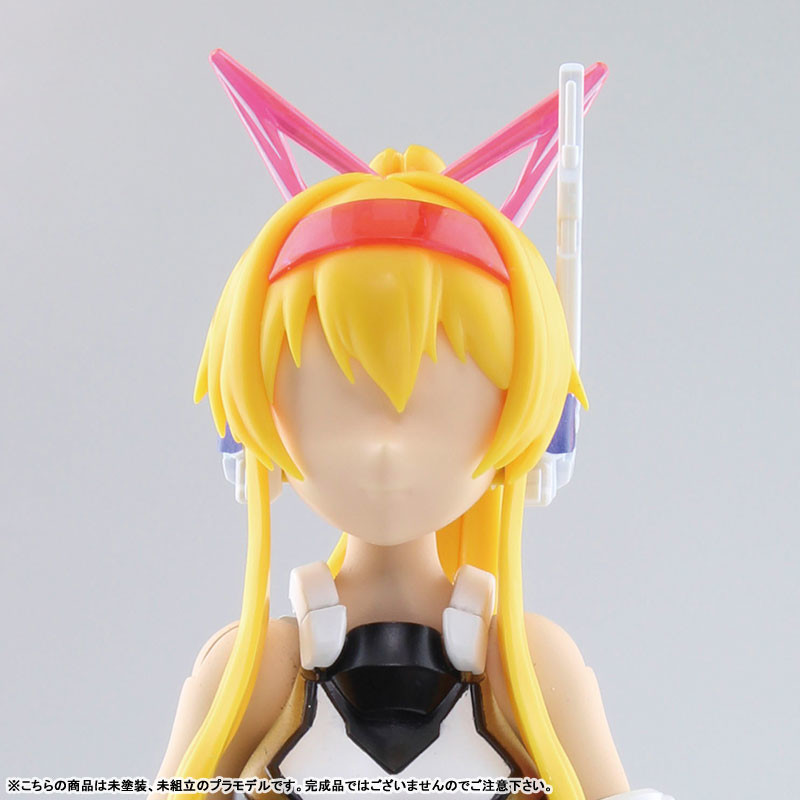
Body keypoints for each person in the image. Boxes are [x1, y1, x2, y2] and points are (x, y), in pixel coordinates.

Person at [150, 51, 672, 800]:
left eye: (436, 416)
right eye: (333, 409)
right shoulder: (254, 672)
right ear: (250, 426)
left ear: (539, 424)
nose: (385, 449)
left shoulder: (532, 671)